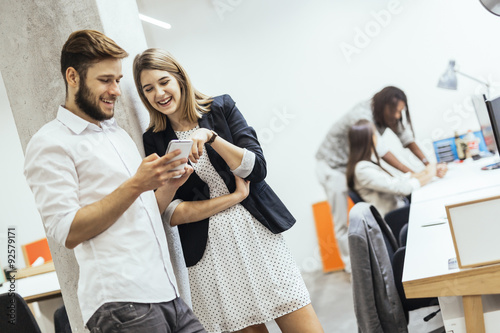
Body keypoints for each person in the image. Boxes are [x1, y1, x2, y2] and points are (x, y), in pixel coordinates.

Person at [24, 30, 206, 333]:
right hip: (122, 304)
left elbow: (143, 209)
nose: (116, 90)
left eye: (118, 80)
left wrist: (168, 185)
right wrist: (136, 183)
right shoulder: (50, 144)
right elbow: (68, 231)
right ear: (73, 77)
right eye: (105, 80)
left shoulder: (117, 135)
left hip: (167, 294)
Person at [133, 48, 323, 333]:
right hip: (209, 257)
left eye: (163, 82)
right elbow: (172, 212)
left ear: (180, 79)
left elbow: (256, 169)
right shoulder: (155, 141)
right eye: (148, 89)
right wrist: (233, 197)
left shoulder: (221, 108)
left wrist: (212, 138)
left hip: (257, 236)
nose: (158, 93)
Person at [315, 86, 447, 273]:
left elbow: (406, 137)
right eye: (396, 111)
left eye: (402, 111)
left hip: (352, 163)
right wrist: (422, 174)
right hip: (331, 165)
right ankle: (352, 269)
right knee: (342, 221)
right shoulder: (361, 116)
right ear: (385, 106)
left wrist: (426, 167)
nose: (398, 116)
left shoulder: (387, 113)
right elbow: (382, 151)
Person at [346, 119, 435, 216]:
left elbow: (396, 180)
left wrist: (425, 172)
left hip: (400, 209)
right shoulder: (362, 170)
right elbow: (401, 189)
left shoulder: (369, 163)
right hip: (394, 216)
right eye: (375, 134)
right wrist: (430, 174)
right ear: (370, 139)